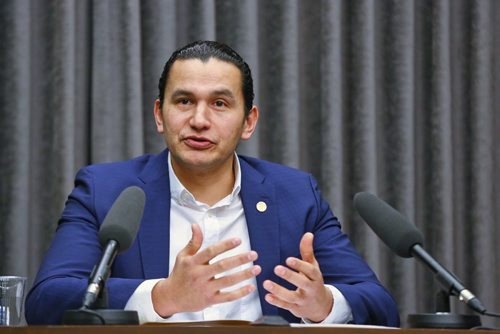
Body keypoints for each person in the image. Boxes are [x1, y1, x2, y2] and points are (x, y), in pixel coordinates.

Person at [25, 40, 400, 326]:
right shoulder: (106, 190)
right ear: (160, 114)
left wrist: (324, 305)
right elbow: (46, 300)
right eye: (184, 101)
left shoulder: (295, 195)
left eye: (220, 104)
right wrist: (162, 297)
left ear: (248, 121)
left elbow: (380, 305)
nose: (200, 120)